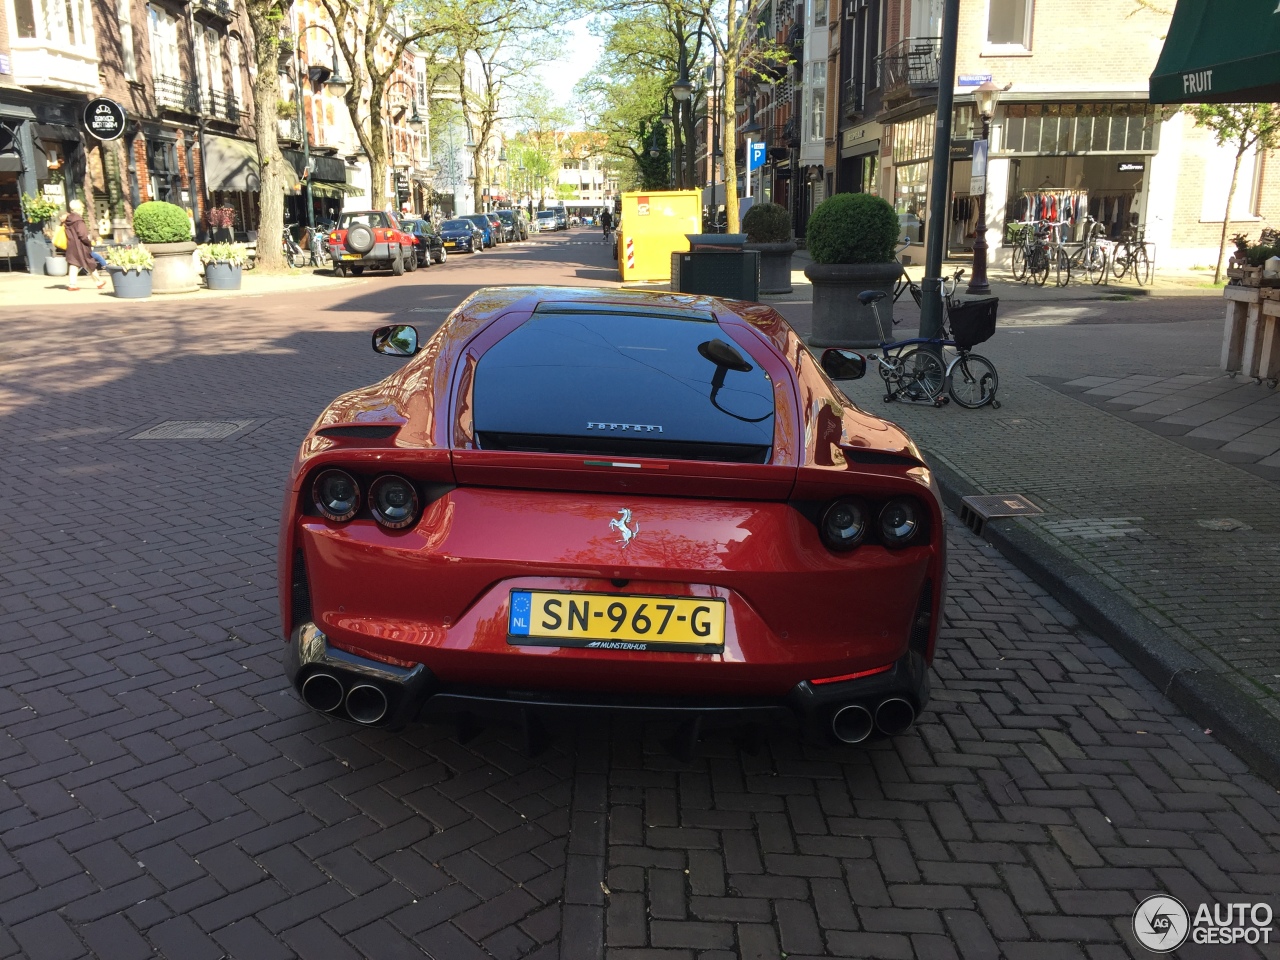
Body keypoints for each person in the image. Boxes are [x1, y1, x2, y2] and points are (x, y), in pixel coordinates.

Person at [63, 199, 105, 290]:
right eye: (82, 208)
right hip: (81, 246)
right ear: (79, 209)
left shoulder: (68, 220)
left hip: (71, 245)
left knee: (74, 264)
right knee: (89, 262)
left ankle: (72, 284)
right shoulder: (79, 220)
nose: (83, 210)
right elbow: (82, 235)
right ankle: (98, 281)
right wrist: (89, 242)